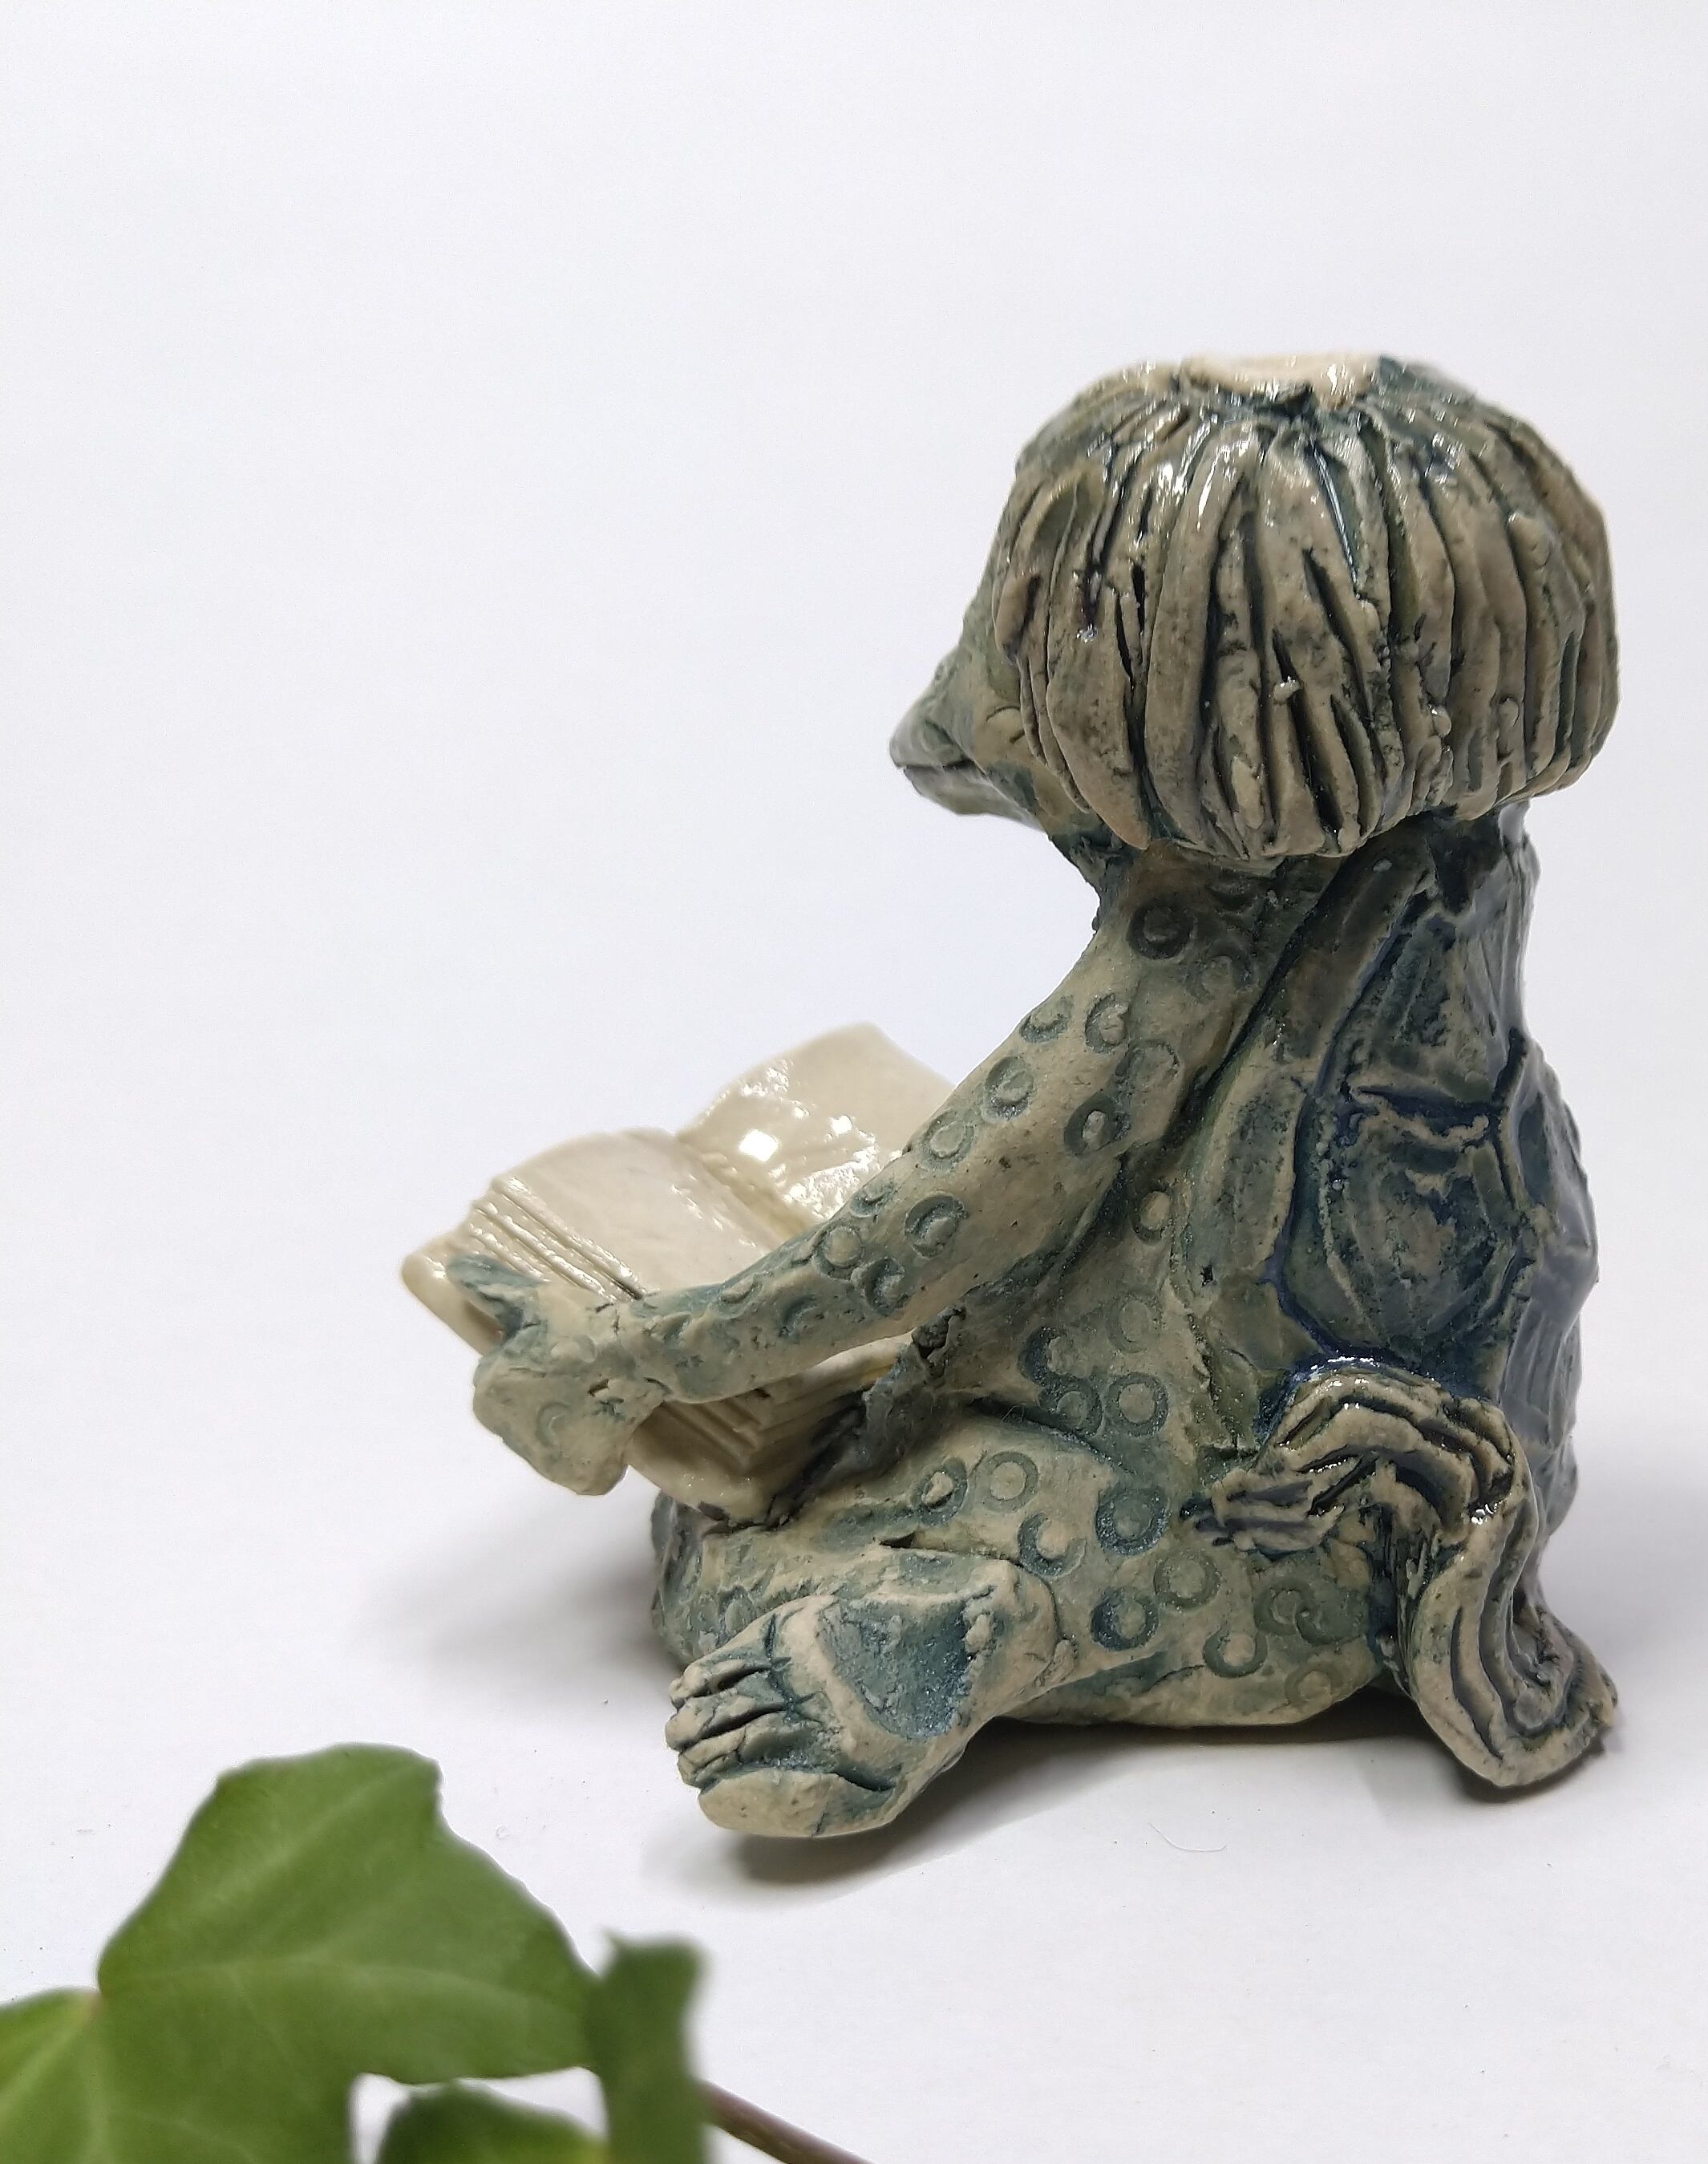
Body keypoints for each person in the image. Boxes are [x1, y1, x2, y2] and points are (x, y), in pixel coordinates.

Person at [458, 354, 1621, 1836]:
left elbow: (929, 1232)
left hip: (1215, 1541)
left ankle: (965, 1619)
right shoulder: (1465, 870)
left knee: (748, 1532)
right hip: (1436, 1488)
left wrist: (638, 1359)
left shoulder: (1195, 944)